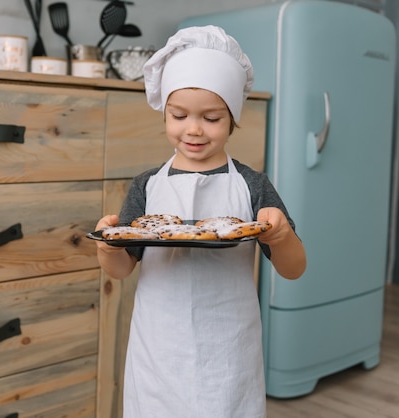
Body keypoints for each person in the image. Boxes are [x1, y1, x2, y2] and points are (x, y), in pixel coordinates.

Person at [94, 25, 306, 417]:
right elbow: (122, 269)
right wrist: (109, 247)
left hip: (227, 347)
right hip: (158, 347)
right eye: (179, 115)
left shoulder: (252, 185)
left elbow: (294, 270)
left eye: (211, 118)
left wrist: (281, 236)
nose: (193, 129)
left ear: (232, 119)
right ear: (164, 114)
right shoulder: (146, 187)